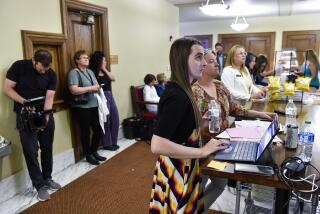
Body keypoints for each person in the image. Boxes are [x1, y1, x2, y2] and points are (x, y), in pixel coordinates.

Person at [149, 37, 228, 213]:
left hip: (184, 164)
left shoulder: (184, 89)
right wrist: (203, 151)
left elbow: (180, 129)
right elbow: (157, 145)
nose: (204, 63)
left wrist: (200, 123)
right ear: (182, 60)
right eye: (198, 57)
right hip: (178, 167)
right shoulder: (177, 95)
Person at [3, 49, 61, 201]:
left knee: (47, 147)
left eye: (46, 69)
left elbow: (49, 96)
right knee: (31, 151)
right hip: (25, 114)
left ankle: (47, 178)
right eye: (41, 68)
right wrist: (24, 102)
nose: (43, 72)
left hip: (44, 112)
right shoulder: (19, 67)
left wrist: (46, 117)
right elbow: (7, 88)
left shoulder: (51, 73)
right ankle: (39, 186)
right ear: (34, 60)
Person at [68, 50, 106, 165]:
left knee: (98, 130)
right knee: (85, 132)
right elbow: (73, 90)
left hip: (94, 105)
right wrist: (91, 88)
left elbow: (95, 86)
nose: (86, 59)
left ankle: (94, 151)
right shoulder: (74, 73)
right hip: (82, 107)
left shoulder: (90, 71)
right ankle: (88, 154)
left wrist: (97, 88)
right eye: (83, 58)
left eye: (87, 58)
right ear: (77, 60)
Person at [89, 51, 120, 151]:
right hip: (101, 97)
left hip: (110, 95)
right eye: (104, 60)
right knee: (106, 120)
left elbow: (113, 78)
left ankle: (114, 141)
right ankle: (107, 144)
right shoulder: (93, 72)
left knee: (115, 118)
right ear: (99, 61)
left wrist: (104, 68)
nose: (106, 61)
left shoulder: (105, 71)